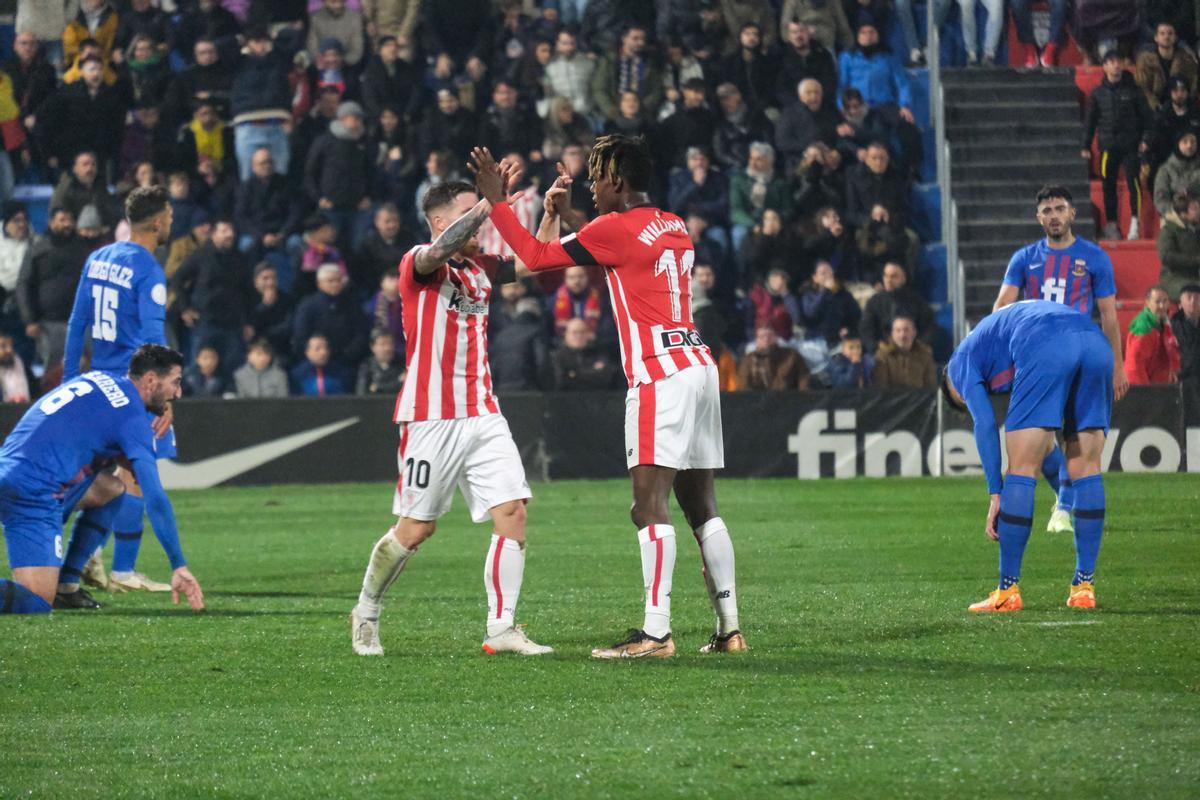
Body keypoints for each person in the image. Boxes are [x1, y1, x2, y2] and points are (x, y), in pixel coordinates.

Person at [474, 136, 746, 658]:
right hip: (697, 363)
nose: (593, 189)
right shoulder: (672, 225)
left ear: (616, 182)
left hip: (658, 373)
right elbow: (618, 241)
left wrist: (499, 202)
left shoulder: (614, 228)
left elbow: (535, 256)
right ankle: (729, 628)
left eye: (598, 180)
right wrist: (571, 213)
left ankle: (656, 633)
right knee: (702, 506)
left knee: (648, 508)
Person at [348, 178, 553, 658]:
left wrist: (550, 211)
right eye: (469, 213)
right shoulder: (417, 263)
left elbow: (535, 259)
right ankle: (366, 610)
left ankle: (501, 629)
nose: (481, 222)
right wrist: (490, 201)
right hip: (431, 416)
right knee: (416, 529)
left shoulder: (480, 268)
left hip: (482, 410)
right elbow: (440, 248)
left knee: (513, 512)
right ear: (442, 221)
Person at [0, 344, 204, 614]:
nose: (178, 393)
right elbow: (155, 498)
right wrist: (179, 565)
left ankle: (67, 585)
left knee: (112, 489)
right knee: (37, 603)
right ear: (151, 380)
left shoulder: (99, 377)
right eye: (175, 383)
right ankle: (56, 588)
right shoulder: (131, 419)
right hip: (34, 493)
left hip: (9, 468)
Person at [942, 301, 1113, 613]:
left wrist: (996, 493)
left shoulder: (958, 363)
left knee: (1021, 467)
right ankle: (1083, 586)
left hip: (1043, 340)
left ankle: (1007, 592)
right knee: (1087, 466)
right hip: (1094, 339)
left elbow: (985, 423)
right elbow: (1046, 449)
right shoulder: (995, 342)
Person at [60, 187, 177, 598]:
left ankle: (86, 557)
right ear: (159, 221)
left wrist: (70, 381)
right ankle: (123, 568)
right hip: (134, 390)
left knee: (97, 474)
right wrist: (161, 396)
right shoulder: (148, 271)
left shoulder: (98, 258)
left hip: (95, 386)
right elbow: (151, 340)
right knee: (135, 477)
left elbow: (77, 325)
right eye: (170, 216)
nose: (171, 222)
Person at [993, 185, 1128, 535]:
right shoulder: (1024, 259)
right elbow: (1001, 307)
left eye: (1059, 208)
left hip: (1083, 354)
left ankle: (1065, 506)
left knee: (1076, 433)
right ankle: (1065, 499)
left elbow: (1109, 316)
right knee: (1039, 435)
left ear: (1072, 214)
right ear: (1039, 218)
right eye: (1047, 210)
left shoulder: (1094, 257)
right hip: (1039, 357)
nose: (1053, 215)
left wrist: (1118, 364)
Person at [1082, 51, 1154, 240]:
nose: (1115, 65)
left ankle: (1135, 223)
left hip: (1131, 146)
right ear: (1104, 66)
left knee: (1134, 184)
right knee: (1108, 186)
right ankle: (1112, 224)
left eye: (1118, 61)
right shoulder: (1098, 94)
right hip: (1108, 147)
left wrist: (1145, 139)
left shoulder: (1134, 91)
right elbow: (1090, 122)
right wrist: (1085, 145)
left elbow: (1148, 119)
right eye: (1111, 62)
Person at [172, 218, 255, 372]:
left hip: (233, 322)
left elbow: (248, 292)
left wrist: (248, 322)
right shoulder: (201, 255)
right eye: (224, 231)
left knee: (234, 366)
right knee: (200, 367)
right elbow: (177, 279)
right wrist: (185, 308)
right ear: (214, 234)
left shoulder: (239, 258)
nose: (229, 235)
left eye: (231, 231)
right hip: (206, 321)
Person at [17, 207, 91, 374]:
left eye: (70, 220)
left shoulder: (82, 248)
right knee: (53, 371)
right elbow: (24, 285)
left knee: (85, 369)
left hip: (81, 321)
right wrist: (29, 320)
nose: (67, 224)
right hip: (49, 323)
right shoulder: (38, 249)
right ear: (51, 222)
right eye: (62, 220)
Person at [859, 262, 934, 354]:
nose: (888, 280)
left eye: (893, 276)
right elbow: (866, 330)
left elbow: (929, 327)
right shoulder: (874, 302)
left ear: (903, 278)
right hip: (883, 353)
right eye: (886, 276)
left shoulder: (915, 301)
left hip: (912, 352)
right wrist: (877, 347)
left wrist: (917, 346)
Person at [1135, 22, 1198, 112]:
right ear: (1156, 38)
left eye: (1170, 33)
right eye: (1162, 33)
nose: (1166, 37)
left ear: (1175, 38)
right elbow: (1144, 88)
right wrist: (1156, 107)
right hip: (1153, 109)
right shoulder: (1145, 61)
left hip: (1181, 108)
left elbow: (1193, 84)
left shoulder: (1186, 60)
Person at [1125, 285, 1181, 384]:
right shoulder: (1144, 327)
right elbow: (1135, 364)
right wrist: (1145, 392)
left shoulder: (1165, 323)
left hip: (1159, 384)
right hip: (1144, 387)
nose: (1162, 306)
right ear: (1147, 303)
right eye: (1157, 302)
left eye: (1165, 301)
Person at [553, 317, 622, 390]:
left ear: (588, 334)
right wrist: (593, 372)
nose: (579, 336)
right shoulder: (558, 357)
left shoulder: (598, 352)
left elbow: (606, 377)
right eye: (574, 332)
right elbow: (561, 382)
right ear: (566, 335)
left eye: (582, 332)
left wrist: (574, 374)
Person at [737, 325, 810, 390]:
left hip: (787, 401)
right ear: (757, 340)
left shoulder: (791, 356)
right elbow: (743, 386)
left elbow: (803, 376)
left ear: (776, 338)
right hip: (759, 403)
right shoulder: (747, 361)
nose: (766, 339)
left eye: (770, 336)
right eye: (762, 337)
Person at [872, 316, 936, 389]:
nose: (902, 335)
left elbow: (931, 387)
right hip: (891, 399)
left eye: (906, 330)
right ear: (892, 333)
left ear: (914, 332)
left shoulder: (925, 354)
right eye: (898, 330)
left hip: (919, 399)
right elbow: (880, 387)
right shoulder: (882, 355)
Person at [1158, 191, 1200, 300]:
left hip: (1195, 277)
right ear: (1183, 213)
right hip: (1175, 278)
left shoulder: (1196, 228)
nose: (1198, 211)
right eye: (1194, 209)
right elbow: (1166, 256)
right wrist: (1195, 261)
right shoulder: (1169, 230)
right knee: (1192, 291)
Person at [1153, 132, 1200, 218]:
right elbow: (1160, 199)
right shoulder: (1166, 170)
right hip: (1176, 219)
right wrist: (1177, 212)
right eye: (1185, 142)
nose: (1189, 145)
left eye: (1193, 141)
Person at [356, 329, 404, 395]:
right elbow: (362, 393)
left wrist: (378, 388)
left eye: (390, 343)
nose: (388, 348)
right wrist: (397, 382)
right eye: (383, 344)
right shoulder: (367, 366)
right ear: (372, 347)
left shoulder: (402, 364)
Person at [1172, 283, 1200, 382]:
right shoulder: (1172, 326)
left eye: (1197, 298)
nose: (1193, 301)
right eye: (1189, 297)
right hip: (1182, 379)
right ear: (1180, 304)